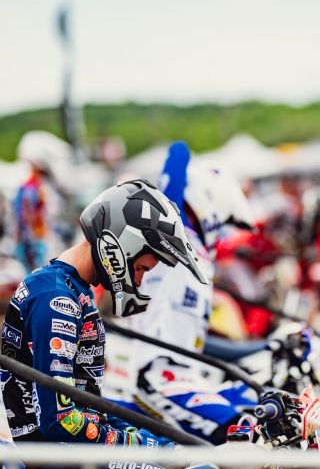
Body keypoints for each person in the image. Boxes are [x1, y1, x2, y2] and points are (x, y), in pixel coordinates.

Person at [1, 178, 207, 446]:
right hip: (54, 456)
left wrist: (144, 438)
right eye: (141, 269)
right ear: (121, 246)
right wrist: (142, 446)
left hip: (73, 450)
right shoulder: (55, 298)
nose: (139, 281)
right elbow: (59, 420)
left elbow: (87, 405)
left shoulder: (73, 288)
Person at [108, 142, 257, 444]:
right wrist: (186, 150)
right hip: (160, 379)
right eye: (224, 220)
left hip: (186, 376)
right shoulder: (173, 237)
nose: (223, 229)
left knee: (258, 407)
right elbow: (176, 158)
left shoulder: (198, 254)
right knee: (244, 435)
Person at [13, 131, 71, 274]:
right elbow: (31, 224)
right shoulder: (32, 189)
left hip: (39, 244)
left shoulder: (36, 186)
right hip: (37, 245)